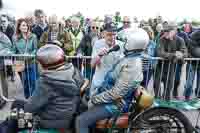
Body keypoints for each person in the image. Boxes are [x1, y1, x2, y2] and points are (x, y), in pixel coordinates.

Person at [0, 44, 87, 133]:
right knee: (18, 106)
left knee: (16, 109)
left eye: (38, 63)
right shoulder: (74, 72)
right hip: (66, 118)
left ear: (46, 65)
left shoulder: (47, 82)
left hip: (48, 122)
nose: (37, 65)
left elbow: (29, 108)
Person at [76, 28, 149, 133]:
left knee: (80, 120)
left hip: (116, 104)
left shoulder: (132, 64)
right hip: (113, 98)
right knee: (82, 107)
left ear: (132, 44)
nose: (123, 44)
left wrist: (95, 99)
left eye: (126, 41)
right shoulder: (129, 58)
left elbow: (117, 93)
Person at [154, 21, 187, 100]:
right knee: (156, 86)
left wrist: (181, 54)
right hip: (159, 66)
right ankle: (157, 103)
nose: (165, 33)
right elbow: (160, 53)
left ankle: (166, 104)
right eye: (164, 31)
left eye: (167, 31)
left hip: (171, 67)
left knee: (168, 88)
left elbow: (185, 53)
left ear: (174, 31)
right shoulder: (161, 39)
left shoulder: (180, 40)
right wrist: (174, 55)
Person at [90, 23, 123, 97]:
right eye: (109, 35)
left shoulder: (121, 45)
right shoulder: (98, 44)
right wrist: (99, 55)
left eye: (114, 34)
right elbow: (92, 65)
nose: (112, 37)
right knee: (92, 106)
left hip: (114, 85)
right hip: (99, 83)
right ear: (103, 34)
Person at [12, 18, 38, 99]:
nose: (25, 27)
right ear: (19, 27)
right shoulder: (15, 38)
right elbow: (14, 50)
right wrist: (12, 54)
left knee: (33, 82)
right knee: (25, 83)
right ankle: (27, 99)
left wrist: (30, 55)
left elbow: (36, 49)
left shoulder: (33, 36)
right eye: (23, 25)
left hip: (31, 62)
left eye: (26, 25)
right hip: (20, 63)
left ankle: (33, 100)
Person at [184, 31, 200, 99]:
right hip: (192, 63)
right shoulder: (192, 37)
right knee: (189, 83)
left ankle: (198, 98)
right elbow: (187, 51)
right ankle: (187, 97)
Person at [0, 31, 13, 109]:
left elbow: (9, 45)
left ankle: (4, 99)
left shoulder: (2, 36)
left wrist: (1, 52)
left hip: (1, 62)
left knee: (3, 81)